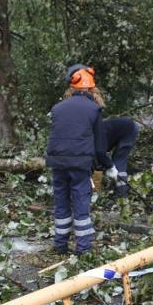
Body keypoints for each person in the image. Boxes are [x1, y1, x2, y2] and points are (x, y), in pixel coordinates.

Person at [46, 64, 111, 255]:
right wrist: (109, 166)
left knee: (61, 203)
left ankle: (60, 245)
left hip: (57, 162)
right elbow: (100, 146)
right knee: (81, 204)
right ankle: (83, 249)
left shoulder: (57, 108)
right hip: (80, 164)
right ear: (92, 88)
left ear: (72, 86)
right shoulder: (94, 109)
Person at [100, 116, 140, 198]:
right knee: (114, 162)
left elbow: (100, 154)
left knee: (119, 161)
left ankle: (122, 194)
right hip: (126, 127)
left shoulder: (94, 138)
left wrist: (109, 166)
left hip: (129, 129)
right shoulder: (91, 137)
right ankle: (120, 190)